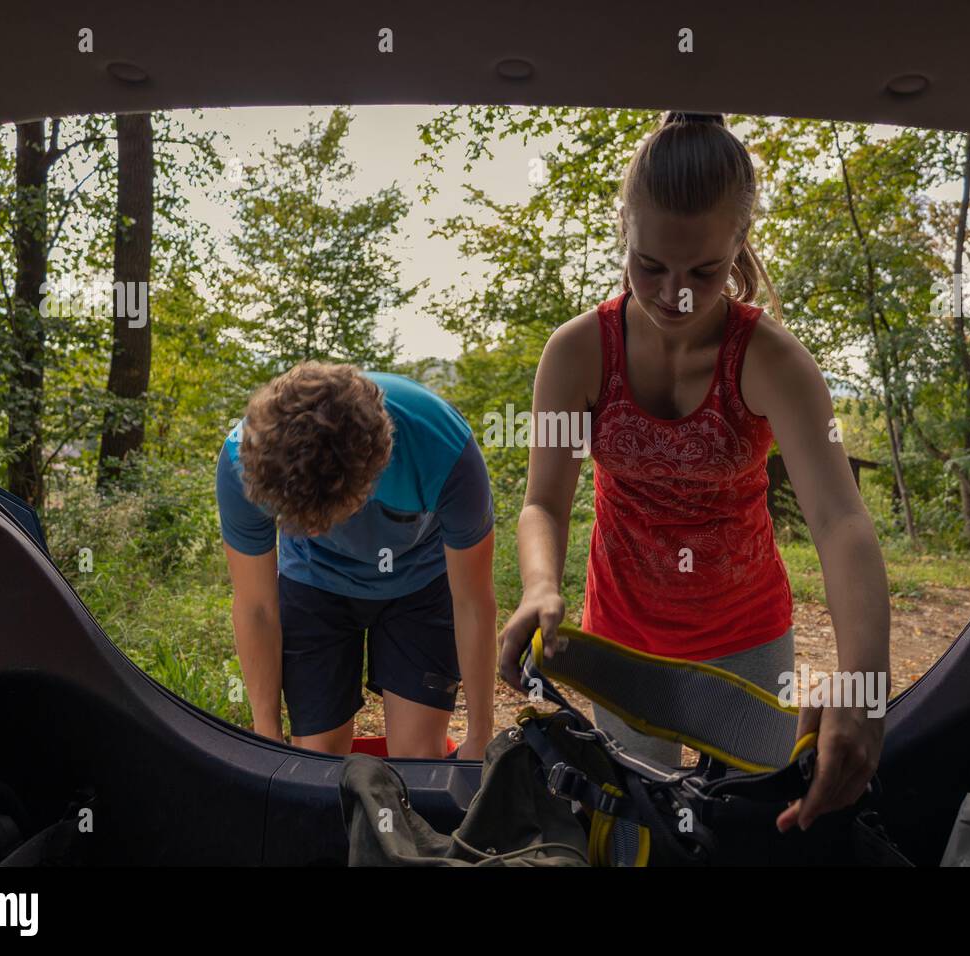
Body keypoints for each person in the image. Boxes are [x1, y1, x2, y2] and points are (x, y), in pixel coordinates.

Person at [498, 111, 891, 832]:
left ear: (738, 244)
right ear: (626, 231)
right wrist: (540, 584)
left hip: (747, 634)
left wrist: (864, 685)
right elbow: (544, 504)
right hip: (622, 636)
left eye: (704, 272)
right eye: (650, 265)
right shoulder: (577, 353)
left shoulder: (773, 361)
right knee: (638, 826)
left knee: (753, 829)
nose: (674, 294)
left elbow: (841, 523)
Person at [217, 361, 497, 760]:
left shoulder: (444, 449)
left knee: (418, 759)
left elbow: (473, 601)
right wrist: (267, 736)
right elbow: (257, 607)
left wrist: (481, 733)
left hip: (420, 582)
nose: (311, 531)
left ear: (375, 472)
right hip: (314, 583)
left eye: (324, 519)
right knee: (317, 760)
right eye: (294, 520)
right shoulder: (240, 463)